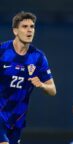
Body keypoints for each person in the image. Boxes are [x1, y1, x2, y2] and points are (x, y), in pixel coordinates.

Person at [0, 11, 56, 144]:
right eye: (24, 26)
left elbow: (53, 90)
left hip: (16, 119)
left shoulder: (38, 58)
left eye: (32, 27)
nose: (29, 30)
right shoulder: (2, 52)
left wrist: (42, 85)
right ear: (15, 31)